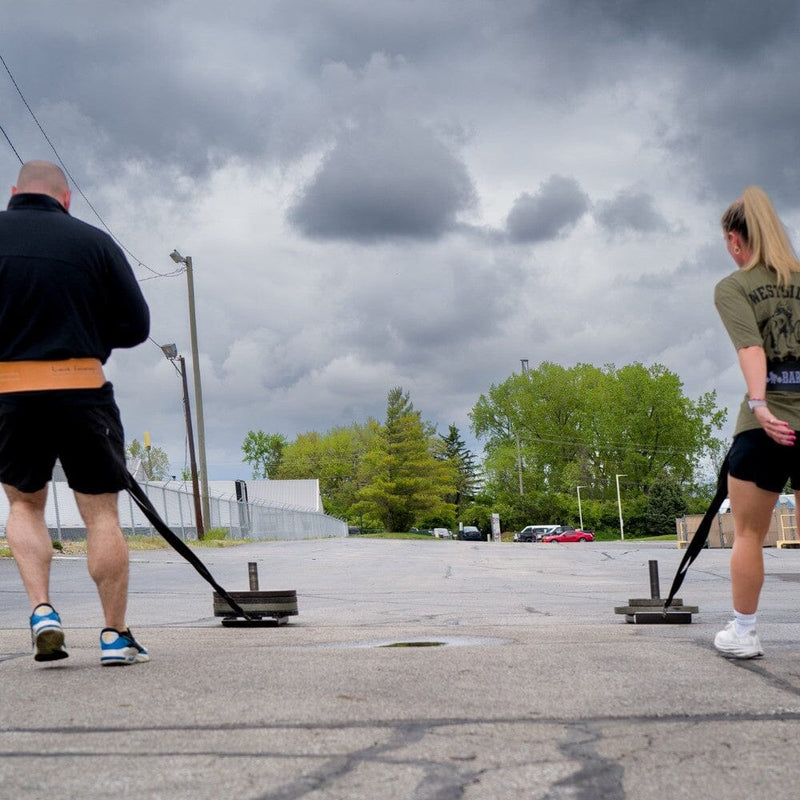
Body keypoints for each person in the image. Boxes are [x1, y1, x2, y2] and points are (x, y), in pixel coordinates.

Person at [0, 160, 151, 666]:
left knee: (24, 505)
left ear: (14, 193)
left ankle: (42, 611)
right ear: (65, 200)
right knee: (100, 513)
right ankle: (114, 636)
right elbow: (135, 326)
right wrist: (85, 332)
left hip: (11, 391)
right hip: (82, 388)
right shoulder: (94, 242)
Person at [713, 185, 800, 658]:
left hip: (766, 425)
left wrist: (761, 404)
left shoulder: (734, 286)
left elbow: (751, 349)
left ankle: (744, 632)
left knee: (748, 533)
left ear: (735, 240)